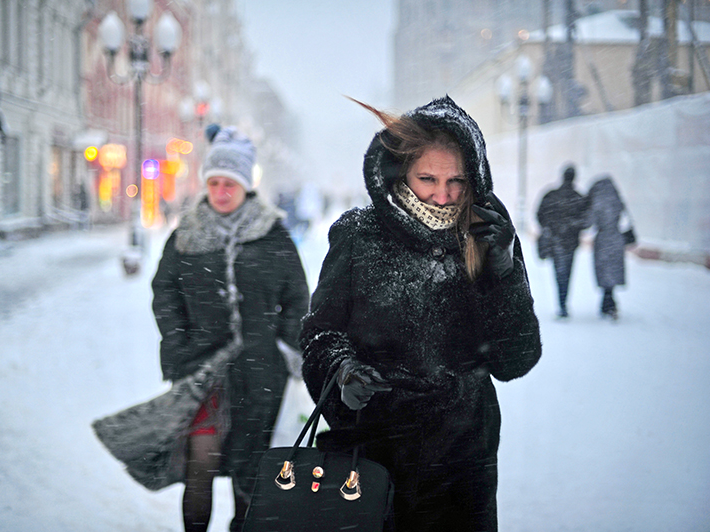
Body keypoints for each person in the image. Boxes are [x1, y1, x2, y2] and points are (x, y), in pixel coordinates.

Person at [300, 96, 542, 531]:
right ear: (401, 173)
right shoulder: (359, 234)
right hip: (370, 458)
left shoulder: (488, 236)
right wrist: (342, 371)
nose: (443, 194)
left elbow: (516, 359)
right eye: (427, 178)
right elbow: (320, 333)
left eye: (457, 181)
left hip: (462, 466)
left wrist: (504, 271)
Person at [151, 126, 309, 532]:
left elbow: (297, 295)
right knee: (200, 464)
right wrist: (177, 339)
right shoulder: (186, 233)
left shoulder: (272, 234)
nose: (221, 191)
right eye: (214, 182)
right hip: (202, 371)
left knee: (252, 469)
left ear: (245, 185)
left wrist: (285, 345)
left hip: (261, 374)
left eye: (230, 183)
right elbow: (164, 289)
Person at [536, 164, 589, 318]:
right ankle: (563, 303)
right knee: (566, 273)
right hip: (569, 243)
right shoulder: (578, 197)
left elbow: (540, 215)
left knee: (559, 273)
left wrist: (551, 228)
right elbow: (585, 221)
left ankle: (562, 303)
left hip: (555, 241)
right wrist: (571, 226)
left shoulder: (552, 195)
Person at [586, 175, 630, 320]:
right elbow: (624, 217)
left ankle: (608, 302)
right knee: (613, 271)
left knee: (604, 272)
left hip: (603, 239)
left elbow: (589, 221)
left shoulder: (597, 201)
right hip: (617, 239)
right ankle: (609, 300)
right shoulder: (616, 199)